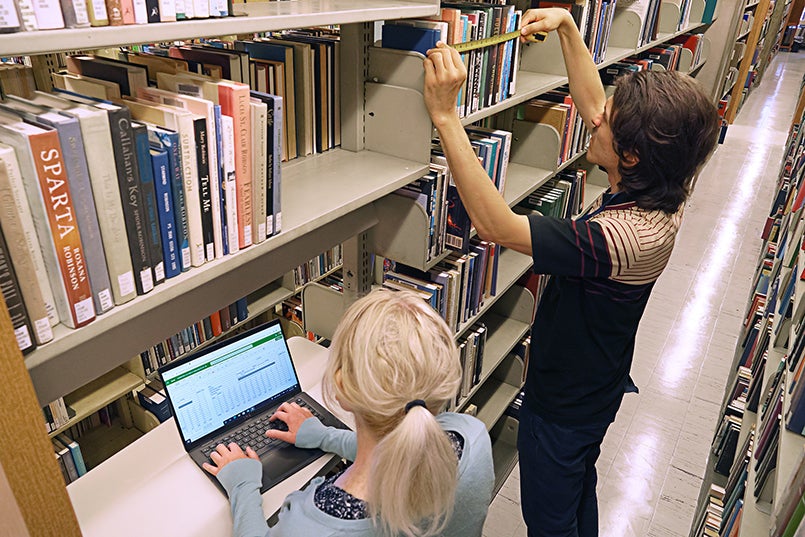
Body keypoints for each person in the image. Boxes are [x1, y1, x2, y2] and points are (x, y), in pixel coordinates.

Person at [422, 7, 720, 537]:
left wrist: (447, 117)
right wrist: (566, 26)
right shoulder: (663, 184)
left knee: (549, 515)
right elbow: (591, 104)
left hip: (563, 404)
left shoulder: (622, 237)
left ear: (629, 156)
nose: (594, 115)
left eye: (608, 119)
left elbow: (496, 225)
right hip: (598, 385)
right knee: (580, 485)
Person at [202, 289, 494, 537]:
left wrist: (242, 484)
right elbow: (397, 447)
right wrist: (325, 436)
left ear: (340, 385)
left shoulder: (312, 528)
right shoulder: (472, 435)